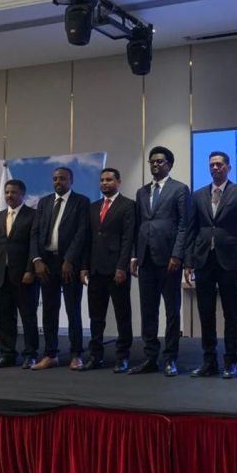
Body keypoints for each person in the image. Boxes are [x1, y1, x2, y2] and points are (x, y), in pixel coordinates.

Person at [185, 151, 237, 379]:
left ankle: (230, 362)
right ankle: (209, 361)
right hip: (203, 260)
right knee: (206, 313)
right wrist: (188, 261)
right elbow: (191, 230)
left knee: (230, 312)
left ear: (228, 168)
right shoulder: (198, 195)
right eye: (212, 165)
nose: (215, 168)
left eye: (219, 164)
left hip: (230, 261)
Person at [129, 146, 191, 377]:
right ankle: (149, 358)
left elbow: (184, 225)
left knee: (172, 311)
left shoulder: (180, 189)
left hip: (168, 260)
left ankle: (170, 358)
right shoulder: (141, 192)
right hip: (145, 258)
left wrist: (177, 255)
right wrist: (134, 255)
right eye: (152, 162)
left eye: (160, 161)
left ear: (169, 165)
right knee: (148, 310)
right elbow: (138, 225)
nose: (155, 165)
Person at [30, 167, 90, 370]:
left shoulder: (81, 201)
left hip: (69, 264)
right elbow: (35, 232)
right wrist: (37, 259)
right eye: (55, 178)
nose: (58, 182)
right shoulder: (44, 202)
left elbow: (81, 233)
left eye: (63, 178)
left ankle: (76, 354)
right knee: (49, 311)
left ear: (71, 180)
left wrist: (69, 259)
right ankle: (50, 354)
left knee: (73, 310)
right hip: (46, 263)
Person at [0, 179, 40, 369]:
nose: (9, 196)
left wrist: (30, 270)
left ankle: (30, 354)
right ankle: (7, 354)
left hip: (24, 276)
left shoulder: (34, 216)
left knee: (28, 317)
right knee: (4, 318)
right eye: (7, 192)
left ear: (22, 194)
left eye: (13, 192)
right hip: (1, 276)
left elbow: (34, 246)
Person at [80, 168, 135, 373]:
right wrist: (84, 266)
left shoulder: (128, 205)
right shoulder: (93, 207)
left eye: (109, 180)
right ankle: (95, 356)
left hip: (116, 270)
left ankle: (123, 357)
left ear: (118, 182)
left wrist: (122, 266)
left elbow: (128, 238)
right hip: (95, 269)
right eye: (102, 180)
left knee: (122, 315)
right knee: (96, 317)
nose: (104, 183)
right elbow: (87, 239)